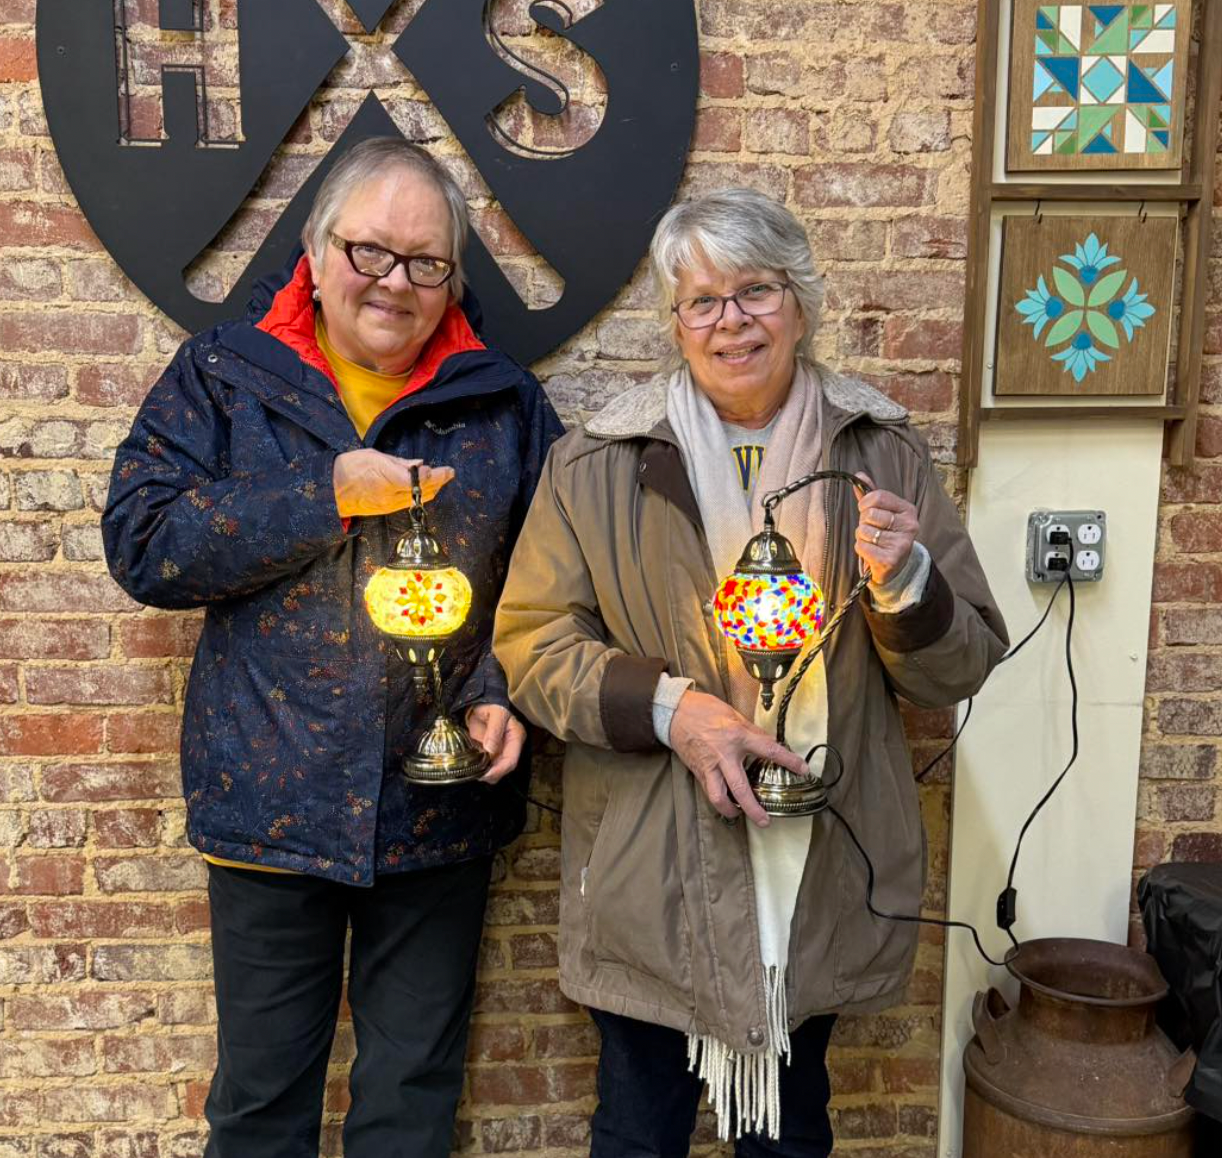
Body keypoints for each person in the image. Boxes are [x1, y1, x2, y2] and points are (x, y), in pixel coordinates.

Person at [493, 188, 1008, 1157]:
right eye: (702, 301)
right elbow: (531, 646)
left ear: (800, 302)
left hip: (816, 857)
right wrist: (673, 709)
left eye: (755, 292)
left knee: (788, 1133)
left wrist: (904, 582)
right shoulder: (597, 462)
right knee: (637, 1131)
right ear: (674, 322)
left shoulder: (881, 454)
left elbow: (959, 668)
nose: (730, 321)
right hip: (653, 870)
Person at [102, 137, 563, 1158]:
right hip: (268, 806)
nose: (395, 283)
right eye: (370, 252)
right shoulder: (224, 375)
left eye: (426, 262)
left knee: (411, 1110)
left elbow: (552, 588)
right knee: (260, 1113)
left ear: (454, 279)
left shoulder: (507, 405)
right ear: (316, 252)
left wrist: (501, 690)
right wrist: (324, 495)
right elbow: (143, 542)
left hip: (441, 810)